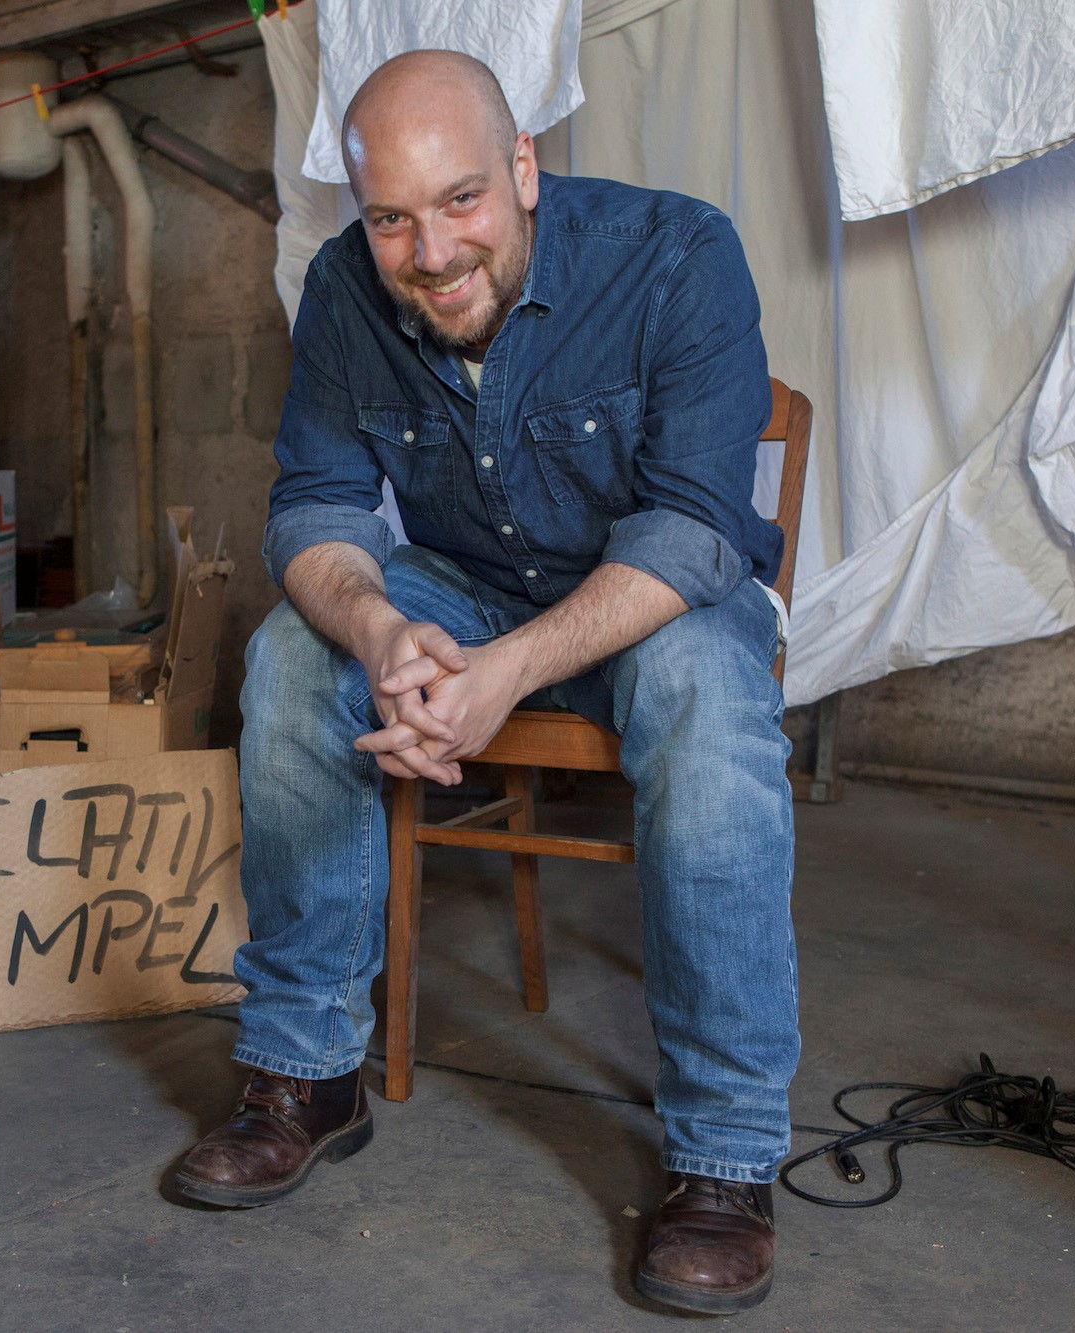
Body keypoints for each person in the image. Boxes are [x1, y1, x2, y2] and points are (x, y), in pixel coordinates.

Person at [171, 49, 797, 1316]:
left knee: (705, 698)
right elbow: (316, 509)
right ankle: (306, 1075)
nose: (431, 253)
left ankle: (723, 1158)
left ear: (521, 167)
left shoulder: (676, 254)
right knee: (290, 653)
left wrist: (507, 671)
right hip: (464, 587)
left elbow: (693, 530)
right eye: (390, 219)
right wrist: (376, 632)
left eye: (460, 200)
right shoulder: (343, 289)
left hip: (650, 595)